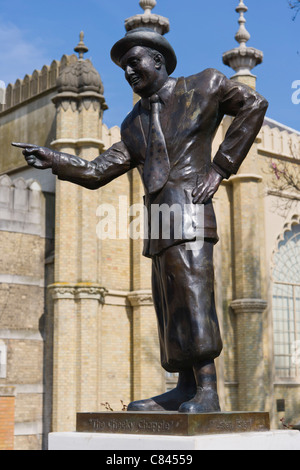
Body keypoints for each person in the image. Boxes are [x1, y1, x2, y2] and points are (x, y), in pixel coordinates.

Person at [12, 28, 268, 413]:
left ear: (158, 60)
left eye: (134, 63)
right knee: (171, 308)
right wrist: (56, 160)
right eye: (123, 67)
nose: (128, 72)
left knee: (194, 299)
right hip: (159, 226)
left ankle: (209, 392)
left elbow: (254, 105)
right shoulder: (133, 123)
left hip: (192, 215)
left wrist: (220, 168)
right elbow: (99, 170)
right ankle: (185, 388)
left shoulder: (204, 85)